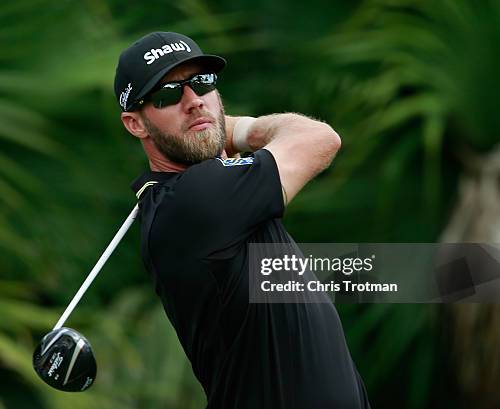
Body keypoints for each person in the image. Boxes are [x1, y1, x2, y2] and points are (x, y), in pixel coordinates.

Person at [114, 31, 371, 408]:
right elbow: (320, 138)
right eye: (168, 94)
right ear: (136, 125)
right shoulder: (195, 199)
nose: (194, 101)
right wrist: (237, 129)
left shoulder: (180, 199)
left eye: (202, 83)